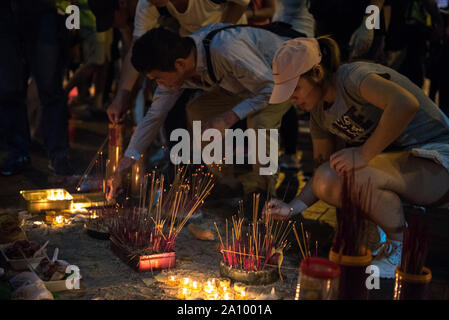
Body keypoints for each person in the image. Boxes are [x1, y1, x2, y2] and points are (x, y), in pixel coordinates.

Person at [263, 37, 449, 278]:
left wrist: (363, 153)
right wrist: (291, 208)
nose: (293, 99)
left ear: (317, 73)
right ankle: (384, 235)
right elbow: (322, 174)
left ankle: (399, 248)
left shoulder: (353, 77)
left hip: (438, 159)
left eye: (296, 88)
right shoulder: (319, 114)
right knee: (330, 176)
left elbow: (405, 104)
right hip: (403, 169)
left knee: (356, 171)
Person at [105, 24, 295, 207]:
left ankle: (264, 194)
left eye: (157, 78)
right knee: (198, 110)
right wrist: (125, 163)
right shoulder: (181, 65)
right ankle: (227, 183)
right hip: (245, 86)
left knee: (259, 121)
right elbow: (155, 115)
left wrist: (229, 117)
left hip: (284, 80)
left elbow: (269, 88)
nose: (158, 84)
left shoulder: (225, 49)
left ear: (179, 64)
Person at [106, 0, 250, 125]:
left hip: (231, 53)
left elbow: (241, 3)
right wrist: (121, 98)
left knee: (236, 112)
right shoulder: (149, 4)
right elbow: (136, 50)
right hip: (192, 60)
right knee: (184, 111)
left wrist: (215, 37)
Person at [0, 0, 73, 176]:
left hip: (44, 10)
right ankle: (18, 152)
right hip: (7, 13)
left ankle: (58, 153)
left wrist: (72, 21)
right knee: (9, 88)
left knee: (50, 87)